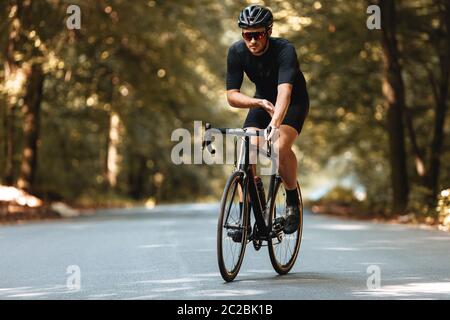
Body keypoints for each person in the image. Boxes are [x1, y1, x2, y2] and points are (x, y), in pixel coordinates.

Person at [226, 5, 309, 234]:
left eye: (257, 34)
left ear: (269, 32)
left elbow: (285, 93)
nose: (251, 40)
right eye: (246, 35)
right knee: (246, 151)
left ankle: (292, 201)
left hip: (292, 102)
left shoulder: (285, 50)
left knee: (279, 147)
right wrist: (258, 103)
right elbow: (232, 96)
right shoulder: (236, 52)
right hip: (262, 101)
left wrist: (274, 125)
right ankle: (250, 216)